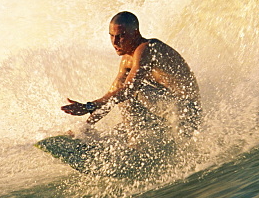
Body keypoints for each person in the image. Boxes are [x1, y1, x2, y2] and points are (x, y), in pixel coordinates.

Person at [62, 11, 201, 143]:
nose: (115, 42)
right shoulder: (127, 60)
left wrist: (89, 106)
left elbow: (128, 90)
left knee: (128, 93)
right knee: (116, 121)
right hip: (165, 113)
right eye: (111, 36)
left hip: (185, 112)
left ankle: (135, 145)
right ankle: (119, 140)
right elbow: (112, 94)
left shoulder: (147, 48)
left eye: (120, 36)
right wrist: (86, 125)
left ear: (135, 33)